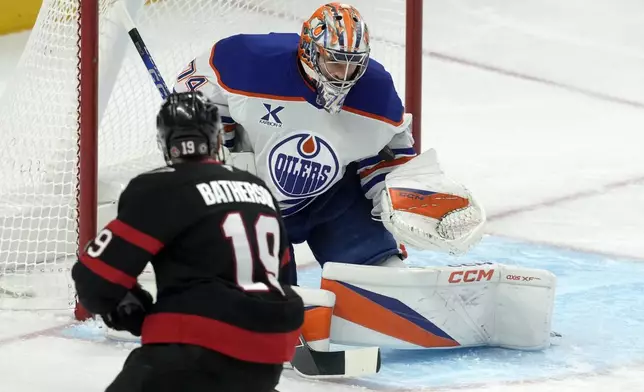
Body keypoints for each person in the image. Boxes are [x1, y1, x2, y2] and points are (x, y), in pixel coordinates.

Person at [172, 3, 487, 352]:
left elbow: (386, 158)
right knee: (266, 292)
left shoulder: (375, 91)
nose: (346, 75)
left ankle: (393, 301)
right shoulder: (248, 61)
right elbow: (194, 95)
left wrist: (405, 200)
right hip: (253, 200)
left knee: (376, 270)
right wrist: (218, 144)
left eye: (356, 64)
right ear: (309, 51)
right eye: (336, 61)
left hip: (331, 199)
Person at [72, 91, 304, 392]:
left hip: (192, 349)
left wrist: (128, 307)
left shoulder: (158, 187)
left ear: (165, 143)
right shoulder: (258, 189)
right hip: (268, 352)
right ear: (217, 139)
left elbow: (95, 278)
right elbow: (284, 274)